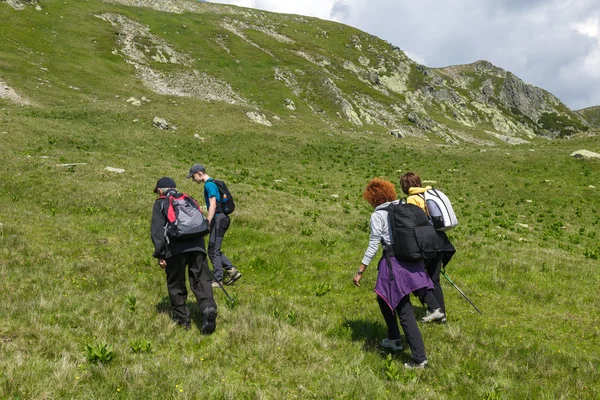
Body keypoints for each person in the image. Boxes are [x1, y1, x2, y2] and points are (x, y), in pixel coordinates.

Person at [353, 178, 435, 369]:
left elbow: (374, 244)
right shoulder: (402, 206)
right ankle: (393, 338)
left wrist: (360, 271)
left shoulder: (377, 216)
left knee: (403, 309)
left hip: (393, 263)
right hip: (411, 261)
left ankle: (419, 359)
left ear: (372, 198)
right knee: (383, 299)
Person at [150, 177, 217, 334]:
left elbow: (157, 232)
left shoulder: (160, 203)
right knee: (201, 279)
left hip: (175, 249)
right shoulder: (188, 199)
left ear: (160, 191)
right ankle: (208, 307)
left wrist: (161, 255)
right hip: (198, 245)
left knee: (176, 283)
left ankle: (183, 320)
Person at [400, 172, 456, 322]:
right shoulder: (430, 194)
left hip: (427, 243)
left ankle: (433, 309)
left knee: (416, 276)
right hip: (441, 240)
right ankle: (441, 315)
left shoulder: (412, 199)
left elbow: (413, 223)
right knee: (434, 278)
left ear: (405, 186)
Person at [187, 164, 242, 288]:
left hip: (219, 219)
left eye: (193, 176)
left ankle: (217, 280)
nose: (193, 179)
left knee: (213, 250)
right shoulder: (212, 183)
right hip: (221, 218)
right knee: (213, 249)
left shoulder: (209, 185)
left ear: (200, 174)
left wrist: (208, 221)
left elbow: (213, 205)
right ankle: (232, 271)